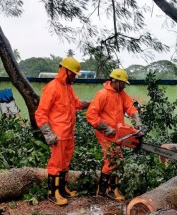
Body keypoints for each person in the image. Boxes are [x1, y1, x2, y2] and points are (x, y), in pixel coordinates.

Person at [35, 57, 90, 205]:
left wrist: (91, 103)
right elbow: (40, 113)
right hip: (57, 134)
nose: (74, 78)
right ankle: (53, 193)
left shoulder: (68, 87)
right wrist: (48, 134)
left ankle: (63, 189)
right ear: (65, 71)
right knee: (56, 164)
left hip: (69, 133)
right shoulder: (52, 87)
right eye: (73, 74)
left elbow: (77, 103)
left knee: (65, 163)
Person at [86, 68, 142, 201]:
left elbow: (130, 107)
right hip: (105, 133)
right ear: (115, 81)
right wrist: (105, 128)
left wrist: (137, 120)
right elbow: (91, 115)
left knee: (117, 158)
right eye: (122, 83)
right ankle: (107, 190)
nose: (124, 86)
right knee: (112, 158)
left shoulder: (121, 94)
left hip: (118, 132)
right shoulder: (102, 94)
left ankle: (110, 189)